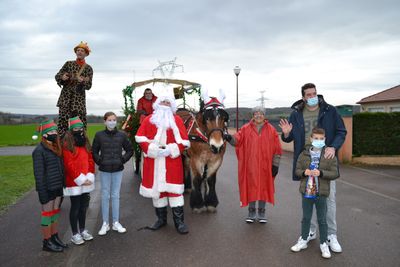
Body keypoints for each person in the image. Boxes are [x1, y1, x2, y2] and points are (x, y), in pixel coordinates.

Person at [279, 83, 347, 253]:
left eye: (314, 93)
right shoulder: (296, 114)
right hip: (306, 159)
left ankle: (331, 235)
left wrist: (333, 147)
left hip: (325, 158)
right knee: (309, 197)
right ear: (303, 97)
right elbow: (288, 139)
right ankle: (311, 232)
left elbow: (341, 131)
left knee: (328, 199)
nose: (312, 97)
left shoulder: (329, 110)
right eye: (308, 95)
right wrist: (286, 133)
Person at [135, 90, 190, 234]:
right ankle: (161, 220)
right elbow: (140, 138)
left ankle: (179, 222)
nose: (165, 105)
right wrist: (152, 149)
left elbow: (184, 141)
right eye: (163, 102)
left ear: (171, 106)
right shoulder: (149, 119)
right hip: (154, 161)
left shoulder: (176, 120)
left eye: (168, 102)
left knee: (174, 191)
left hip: (172, 161)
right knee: (157, 192)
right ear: (157, 104)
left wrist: (171, 150)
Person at [225, 107, 282, 223]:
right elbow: (237, 140)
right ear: (253, 115)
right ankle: (251, 212)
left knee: (264, 188)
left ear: (264, 116)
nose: (258, 116)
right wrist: (229, 138)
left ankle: (261, 213)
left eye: (261, 113)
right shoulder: (245, 128)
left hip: (266, 166)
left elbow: (277, 148)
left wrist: (275, 165)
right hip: (250, 166)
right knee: (251, 187)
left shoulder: (271, 130)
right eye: (256, 113)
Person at [290, 127, 339, 259]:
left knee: (322, 219)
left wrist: (321, 173)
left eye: (321, 139)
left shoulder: (329, 155)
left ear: (325, 139)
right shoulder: (303, 154)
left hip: (321, 192)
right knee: (306, 217)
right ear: (311, 139)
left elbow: (335, 173)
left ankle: (324, 243)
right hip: (306, 192)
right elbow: (297, 170)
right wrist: (304, 172)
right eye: (316, 138)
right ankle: (304, 240)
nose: (318, 141)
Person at [92, 111, 133, 236]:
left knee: (115, 196)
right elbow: (94, 151)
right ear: (105, 121)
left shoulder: (122, 135)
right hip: (104, 170)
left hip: (117, 169)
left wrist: (122, 159)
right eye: (109, 120)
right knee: (105, 196)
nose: (112, 122)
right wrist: (100, 162)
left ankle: (116, 222)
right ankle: (105, 223)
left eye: (114, 120)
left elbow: (130, 150)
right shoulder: (99, 135)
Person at [32, 120, 68, 252]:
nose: (54, 134)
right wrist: (42, 193)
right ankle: (46, 241)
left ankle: (54, 237)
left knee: (55, 213)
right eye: (51, 132)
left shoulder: (55, 147)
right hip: (47, 189)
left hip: (57, 187)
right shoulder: (39, 151)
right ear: (45, 135)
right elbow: (39, 175)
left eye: (55, 131)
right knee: (47, 214)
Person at [62, 116, 95, 245]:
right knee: (75, 207)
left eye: (80, 128)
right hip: (74, 181)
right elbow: (68, 164)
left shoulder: (85, 141)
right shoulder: (67, 144)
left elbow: (90, 159)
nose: (78, 130)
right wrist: (80, 179)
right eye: (75, 128)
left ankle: (83, 230)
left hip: (87, 179)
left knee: (83, 207)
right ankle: (75, 234)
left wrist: (90, 175)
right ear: (71, 129)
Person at [55, 41, 93, 137]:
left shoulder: (88, 68)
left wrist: (82, 81)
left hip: (78, 98)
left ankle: (81, 143)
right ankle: (62, 143)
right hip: (66, 97)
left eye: (82, 51)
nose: (79, 52)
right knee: (63, 121)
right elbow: (58, 75)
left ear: (86, 54)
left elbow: (89, 86)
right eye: (78, 50)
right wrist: (62, 77)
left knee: (79, 121)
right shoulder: (68, 64)